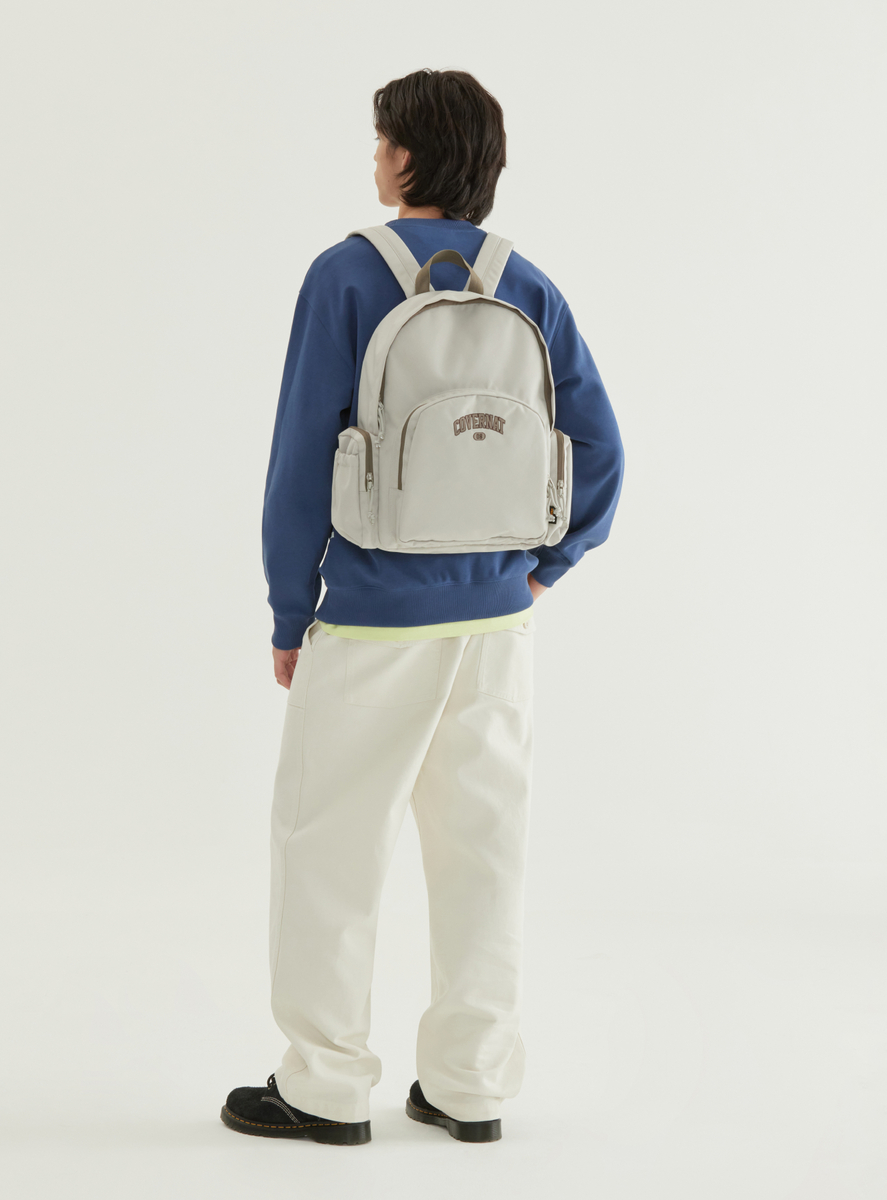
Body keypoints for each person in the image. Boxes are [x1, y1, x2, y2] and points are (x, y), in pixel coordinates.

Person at [221, 67, 624, 1146]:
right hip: (496, 628)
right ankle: (469, 1085)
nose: (373, 157)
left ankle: (323, 1086)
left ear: (405, 156)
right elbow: (601, 451)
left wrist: (288, 612)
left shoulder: (345, 275)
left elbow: (299, 463)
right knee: (483, 854)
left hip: (370, 620)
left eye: (379, 140)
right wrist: (544, 567)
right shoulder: (526, 284)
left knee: (330, 852)